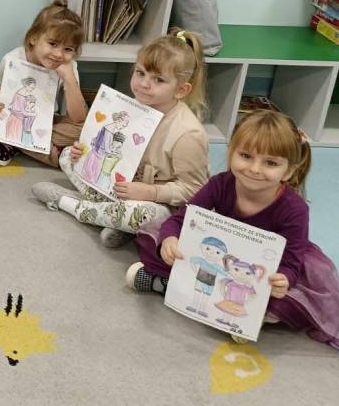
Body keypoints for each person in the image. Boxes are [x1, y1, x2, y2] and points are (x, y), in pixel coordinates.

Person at [128, 110, 339, 349]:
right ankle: (167, 284)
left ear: (289, 171)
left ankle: (250, 315)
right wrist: (170, 240)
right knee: (156, 242)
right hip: (219, 257)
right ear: (231, 153)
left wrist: (284, 279)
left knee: (295, 300)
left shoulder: (295, 209)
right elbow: (181, 219)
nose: (255, 169)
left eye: (270, 163)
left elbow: (292, 260)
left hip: (260, 272)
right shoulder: (220, 184)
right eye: (246, 156)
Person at [31, 30, 209, 249]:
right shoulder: (132, 107)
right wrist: (83, 153)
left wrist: (151, 192)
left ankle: (71, 204)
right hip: (121, 186)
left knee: (146, 215)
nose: (144, 84)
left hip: (158, 203)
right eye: (140, 73)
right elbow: (112, 151)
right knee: (67, 155)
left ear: (181, 90)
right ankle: (115, 220)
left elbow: (194, 189)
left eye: (158, 80)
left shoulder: (188, 133)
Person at [0, 0, 87, 167]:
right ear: (33, 38)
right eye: (53, 44)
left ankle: (14, 144)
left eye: (68, 49)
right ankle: (56, 155)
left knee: (86, 129)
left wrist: (69, 79)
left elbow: (78, 118)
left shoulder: (68, 66)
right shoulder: (12, 59)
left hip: (47, 121)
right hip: (16, 117)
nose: (59, 54)